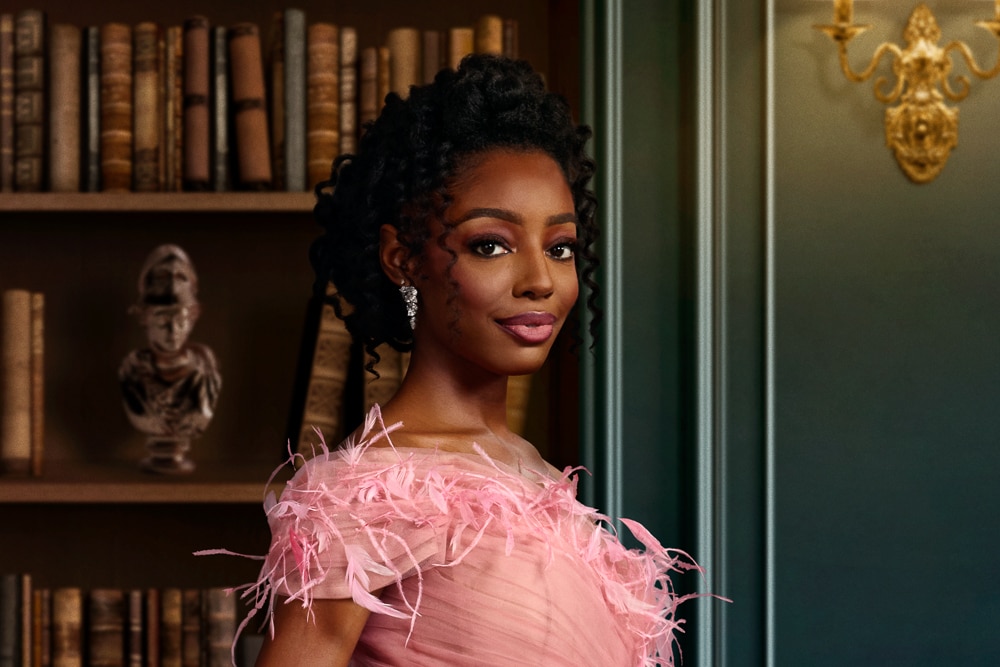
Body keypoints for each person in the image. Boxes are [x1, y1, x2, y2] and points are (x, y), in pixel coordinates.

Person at [234, 54, 699, 666]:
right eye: (490, 245)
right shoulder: (358, 496)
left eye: (560, 247)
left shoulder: (532, 469)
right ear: (403, 260)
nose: (540, 280)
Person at [119, 244, 222, 473]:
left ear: (194, 315)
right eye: (162, 318)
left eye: (180, 317)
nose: (173, 329)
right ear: (144, 317)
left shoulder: (205, 370)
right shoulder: (132, 372)